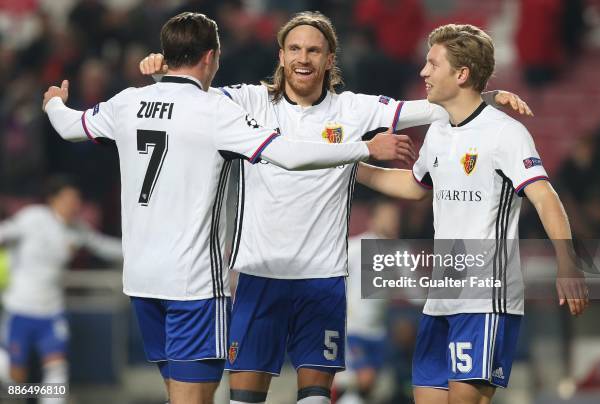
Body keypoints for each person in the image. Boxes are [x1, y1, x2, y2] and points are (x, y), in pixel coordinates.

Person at [140, 12, 534, 404]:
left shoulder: (353, 109)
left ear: (330, 59)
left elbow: (429, 107)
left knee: (316, 397)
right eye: (294, 48)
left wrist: (485, 98)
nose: (303, 58)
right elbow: (191, 100)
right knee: (243, 399)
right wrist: (164, 75)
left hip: (322, 279)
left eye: (314, 50)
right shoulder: (248, 101)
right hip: (259, 275)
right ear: (281, 55)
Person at [42, 12, 409, 404]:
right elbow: (287, 154)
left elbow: (68, 125)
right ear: (211, 57)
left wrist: (53, 103)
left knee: (179, 393)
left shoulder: (128, 102)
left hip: (141, 280)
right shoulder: (217, 112)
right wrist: (364, 149)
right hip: (194, 282)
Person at [357, 23, 589, 404]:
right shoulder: (438, 131)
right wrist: (350, 164)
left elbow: (545, 198)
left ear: (461, 74)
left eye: (433, 64)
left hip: (485, 297)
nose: (423, 73)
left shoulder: (505, 133)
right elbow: (414, 188)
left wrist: (568, 263)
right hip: (441, 297)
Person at [0, 175, 122, 404]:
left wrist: (139, 252)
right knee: (15, 377)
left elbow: (103, 246)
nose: (74, 204)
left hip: (52, 311)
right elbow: (5, 231)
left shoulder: (77, 229)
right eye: (69, 199)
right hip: (20, 308)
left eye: (77, 199)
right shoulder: (33, 218)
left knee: (57, 372)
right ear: (53, 199)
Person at [335, 199, 400, 404]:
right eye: (387, 217)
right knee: (364, 378)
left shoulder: (398, 252)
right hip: (354, 329)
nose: (392, 222)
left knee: (371, 386)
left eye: (395, 218)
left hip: (378, 331)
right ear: (373, 220)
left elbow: (415, 291)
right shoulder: (357, 247)